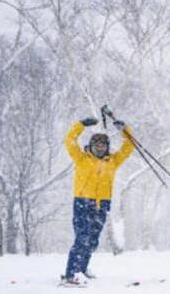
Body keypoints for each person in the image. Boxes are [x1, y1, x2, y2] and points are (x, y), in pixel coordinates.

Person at [60, 117, 135, 287]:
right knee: (82, 238)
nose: (100, 148)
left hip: (102, 205)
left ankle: (82, 269)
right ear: (91, 146)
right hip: (82, 203)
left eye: (103, 145)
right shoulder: (81, 158)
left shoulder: (112, 162)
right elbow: (69, 140)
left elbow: (129, 147)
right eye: (97, 145)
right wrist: (81, 125)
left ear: (107, 147)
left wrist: (125, 130)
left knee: (92, 240)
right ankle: (71, 274)